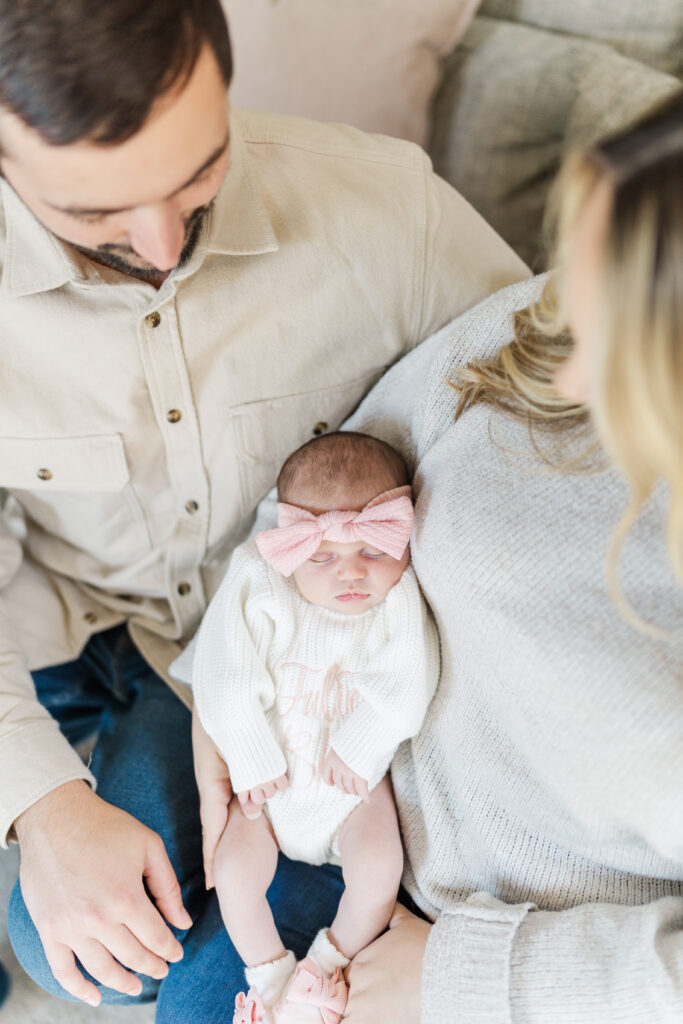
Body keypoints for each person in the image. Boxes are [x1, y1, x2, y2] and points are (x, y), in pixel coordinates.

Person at [0, 1, 528, 1019]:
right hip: (113, 645)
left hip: (330, 677)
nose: (161, 243)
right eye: (96, 216)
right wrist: (41, 804)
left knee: (206, 989)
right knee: (75, 942)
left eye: (197, 172)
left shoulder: (383, 214)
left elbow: (549, 423)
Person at [307, 88, 681, 1021]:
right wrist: (238, 704)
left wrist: (463, 981)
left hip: (530, 975)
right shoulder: (547, 336)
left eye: (607, 332)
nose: (564, 368)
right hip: (341, 812)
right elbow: (331, 484)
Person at [170, 432, 438, 1023]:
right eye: (321, 557)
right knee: (235, 876)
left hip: (354, 789)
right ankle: (268, 976)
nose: (352, 573)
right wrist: (249, 754)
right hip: (269, 786)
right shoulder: (262, 583)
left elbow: (410, 678)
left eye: (373, 552)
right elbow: (224, 669)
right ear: (293, 548)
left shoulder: (397, 601)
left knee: (378, 868)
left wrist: (364, 742)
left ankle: (325, 964)